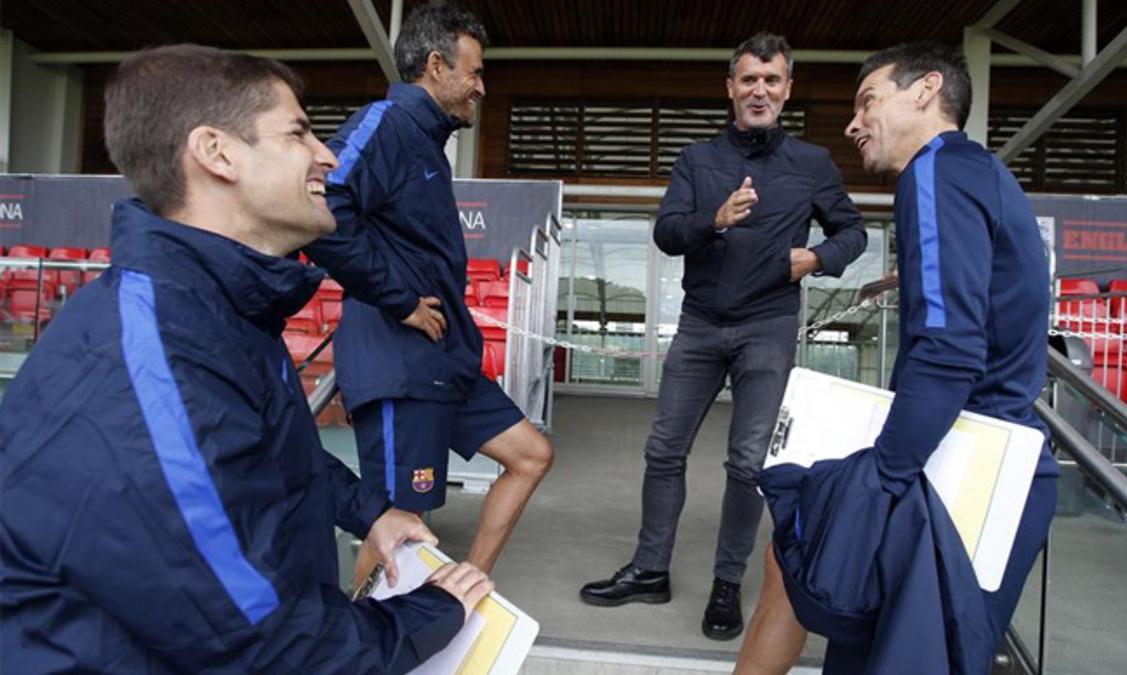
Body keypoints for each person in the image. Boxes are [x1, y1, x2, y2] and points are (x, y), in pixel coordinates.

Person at [0, 44, 493, 672]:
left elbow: (265, 455)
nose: (328, 155)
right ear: (216, 152)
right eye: (298, 133)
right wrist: (433, 612)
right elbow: (269, 647)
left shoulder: (213, 310)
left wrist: (368, 511)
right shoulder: (156, 364)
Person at [734, 42, 1058, 674]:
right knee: (796, 562)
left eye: (868, 100)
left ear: (926, 89)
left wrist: (880, 479)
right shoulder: (974, 174)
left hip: (968, 469)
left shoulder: (937, 170)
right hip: (983, 461)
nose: (854, 122)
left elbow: (948, 346)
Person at [579, 32, 867, 641]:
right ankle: (651, 570)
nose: (758, 90)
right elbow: (666, 233)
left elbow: (853, 232)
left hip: (769, 326)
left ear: (787, 90)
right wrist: (713, 220)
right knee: (663, 451)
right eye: (748, 80)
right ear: (730, 88)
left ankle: (727, 583)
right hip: (700, 324)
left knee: (746, 463)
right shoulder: (697, 159)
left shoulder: (812, 164)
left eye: (771, 80)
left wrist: (814, 260)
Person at [303, 2, 553, 581]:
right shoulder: (386, 122)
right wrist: (401, 301)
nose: (481, 88)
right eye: (474, 72)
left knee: (532, 455)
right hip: (399, 362)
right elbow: (323, 207)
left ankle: (463, 594)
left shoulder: (427, 143)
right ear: (436, 65)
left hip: (445, 358)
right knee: (398, 519)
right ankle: (356, 651)